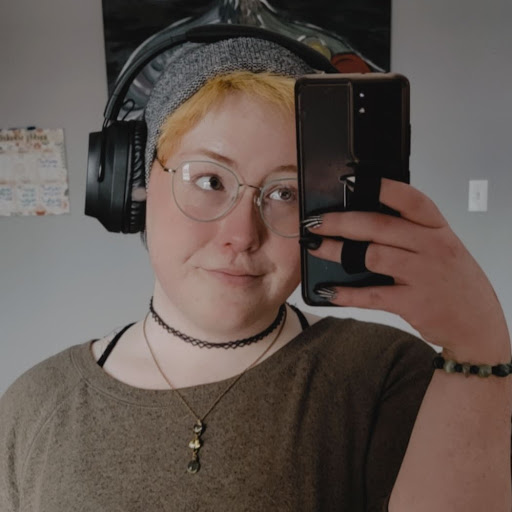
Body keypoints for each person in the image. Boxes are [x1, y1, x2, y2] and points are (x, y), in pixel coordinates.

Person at [0, 36, 510, 512]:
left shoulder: (389, 376)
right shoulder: (33, 404)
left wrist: (479, 344)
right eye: (209, 180)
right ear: (134, 189)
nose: (242, 234)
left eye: (286, 193)